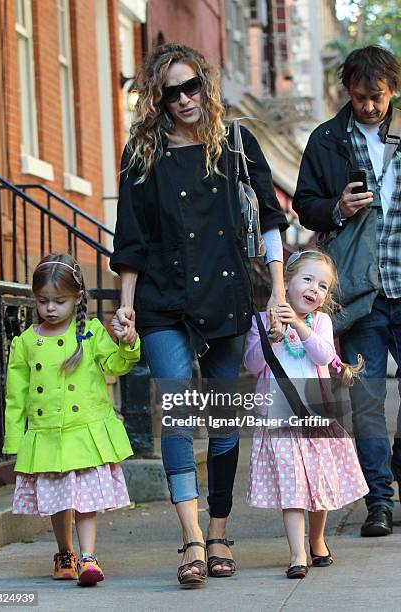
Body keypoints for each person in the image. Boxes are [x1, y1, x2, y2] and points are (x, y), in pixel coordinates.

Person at [110, 43, 288, 587]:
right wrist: (126, 305)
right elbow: (132, 239)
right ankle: (189, 537)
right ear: (157, 99)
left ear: (206, 87)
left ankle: (217, 530)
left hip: (227, 296)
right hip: (163, 300)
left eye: (193, 87)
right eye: (172, 92)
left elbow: (272, 222)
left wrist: (278, 292)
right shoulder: (142, 154)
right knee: (181, 416)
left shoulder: (235, 141)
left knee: (226, 423)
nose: (185, 99)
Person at [293, 45, 401, 537]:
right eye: (360, 97)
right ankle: (379, 500)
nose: (369, 107)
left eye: (377, 97)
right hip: (359, 294)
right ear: (347, 92)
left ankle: (394, 466)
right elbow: (304, 206)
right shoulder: (328, 139)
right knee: (367, 401)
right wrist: (337, 207)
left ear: (392, 90)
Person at [2, 253, 140, 586]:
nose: (50, 308)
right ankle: (65, 553)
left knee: (85, 501)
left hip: (84, 434)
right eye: (42, 301)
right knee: (57, 500)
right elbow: (15, 397)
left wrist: (128, 342)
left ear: (78, 299)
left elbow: (117, 366)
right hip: (46, 435)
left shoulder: (91, 333)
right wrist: (14, 441)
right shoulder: (25, 343)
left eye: (59, 301)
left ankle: (88, 557)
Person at [243, 250, 368, 578]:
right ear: (285, 283)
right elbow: (252, 364)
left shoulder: (321, 322)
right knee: (293, 484)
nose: (315, 288)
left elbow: (324, 355)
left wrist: (298, 325)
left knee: (320, 483)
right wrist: (273, 338)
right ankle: (297, 553)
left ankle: (316, 539)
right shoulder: (261, 320)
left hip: (316, 417)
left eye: (323, 285)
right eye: (307, 279)